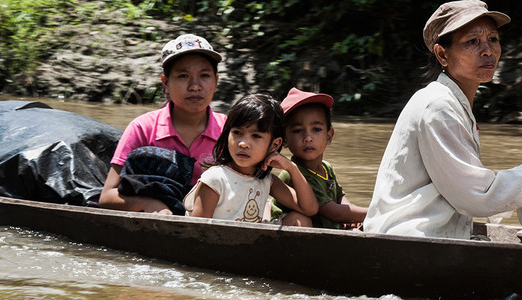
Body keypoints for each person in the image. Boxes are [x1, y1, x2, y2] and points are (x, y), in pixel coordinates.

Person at [363, 0, 522, 239]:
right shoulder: (438, 106)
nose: (488, 50)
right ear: (442, 54)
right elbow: (476, 194)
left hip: (427, 237)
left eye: (493, 39)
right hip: (409, 238)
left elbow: (462, 178)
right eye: (472, 42)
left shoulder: (451, 102)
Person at [98, 33, 226, 214]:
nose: (195, 86)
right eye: (183, 76)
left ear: (216, 81)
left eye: (204, 75)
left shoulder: (230, 132)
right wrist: (149, 205)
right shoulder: (143, 128)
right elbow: (107, 197)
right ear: (165, 83)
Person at [183, 92, 319, 224]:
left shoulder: (266, 180)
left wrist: (291, 167)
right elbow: (198, 230)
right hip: (218, 243)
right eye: (237, 132)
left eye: (256, 136)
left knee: (301, 221)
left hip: (250, 241)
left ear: (274, 145)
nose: (243, 143)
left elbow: (309, 209)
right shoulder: (215, 179)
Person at [274, 87, 369, 229]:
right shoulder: (294, 173)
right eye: (298, 131)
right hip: (291, 232)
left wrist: (355, 216)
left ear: (329, 136)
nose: (308, 138)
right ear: (285, 140)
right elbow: (334, 213)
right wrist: (376, 212)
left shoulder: (327, 168)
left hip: (322, 231)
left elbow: (341, 200)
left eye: (316, 129)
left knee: (362, 224)